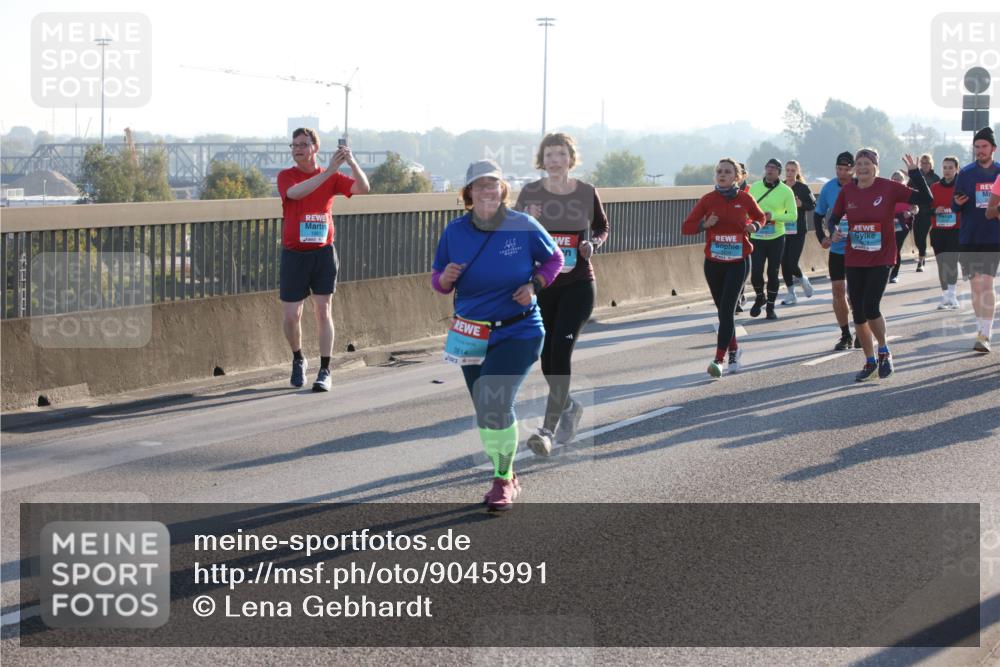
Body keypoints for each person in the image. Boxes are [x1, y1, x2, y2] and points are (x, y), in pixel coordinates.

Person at [431, 159, 562, 511]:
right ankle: (506, 471)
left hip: (519, 329)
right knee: (487, 412)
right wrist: (446, 279)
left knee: (495, 401)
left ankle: (503, 480)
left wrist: (534, 284)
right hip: (471, 333)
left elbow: (555, 259)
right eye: (479, 185)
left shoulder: (523, 225)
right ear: (468, 194)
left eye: (493, 185)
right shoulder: (454, 231)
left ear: (503, 190)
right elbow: (438, 279)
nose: (487, 190)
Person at [514, 133, 610, 456]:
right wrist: (530, 220)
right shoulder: (530, 193)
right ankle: (569, 407)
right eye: (549, 155)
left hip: (578, 284)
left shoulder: (586, 192)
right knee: (546, 360)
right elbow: (512, 233)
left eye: (561, 154)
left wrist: (591, 244)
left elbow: (602, 228)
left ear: (571, 158)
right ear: (542, 160)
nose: (555, 160)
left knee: (561, 352)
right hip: (543, 286)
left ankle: (546, 431)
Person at [277, 128, 370, 392]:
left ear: (315, 148)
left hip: (323, 252)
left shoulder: (333, 177)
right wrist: (328, 172)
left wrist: (351, 162)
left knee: (322, 310)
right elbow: (295, 194)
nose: (297, 149)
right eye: (294, 145)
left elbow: (364, 188)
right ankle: (298, 358)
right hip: (294, 254)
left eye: (303, 145)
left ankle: (325, 369)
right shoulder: (287, 176)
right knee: (291, 315)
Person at [829, 149, 932, 381]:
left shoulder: (888, 187)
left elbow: (926, 199)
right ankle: (870, 361)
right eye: (859, 164)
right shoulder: (848, 191)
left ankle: (884, 350)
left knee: (870, 306)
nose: (863, 167)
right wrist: (833, 230)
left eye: (868, 163)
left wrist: (915, 173)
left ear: (876, 167)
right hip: (855, 257)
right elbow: (834, 216)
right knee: (858, 312)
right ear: (855, 168)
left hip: (882, 257)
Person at [682, 158, 766, 377]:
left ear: (737, 177)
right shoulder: (708, 200)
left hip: (738, 262)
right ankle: (735, 349)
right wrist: (704, 225)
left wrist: (753, 226)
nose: (722, 175)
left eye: (728, 172)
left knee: (728, 309)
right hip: (714, 263)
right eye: (719, 171)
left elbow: (761, 217)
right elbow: (686, 227)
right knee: (723, 313)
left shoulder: (745, 199)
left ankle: (719, 359)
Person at [952, 127, 1000, 353]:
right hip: (969, 235)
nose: (980, 151)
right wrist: (958, 203)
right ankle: (981, 328)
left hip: (993, 235)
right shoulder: (966, 173)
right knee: (975, 286)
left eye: (984, 147)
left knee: (987, 283)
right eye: (977, 147)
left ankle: (986, 334)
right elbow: (954, 204)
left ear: (993, 148)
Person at [814, 151, 860, 350]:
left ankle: (861, 329)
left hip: (860, 248)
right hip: (838, 250)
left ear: (854, 169)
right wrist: (823, 238)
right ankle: (845, 334)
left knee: (857, 294)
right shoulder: (829, 188)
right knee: (838, 291)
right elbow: (818, 215)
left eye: (846, 169)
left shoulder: (862, 185)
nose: (842, 173)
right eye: (838, 169)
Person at [748, 158, 797, 319]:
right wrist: (756, 220)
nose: (770, 171)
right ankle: (760, 296)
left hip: (776, 236)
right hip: (757, 236)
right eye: (767, 167)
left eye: (774, 168)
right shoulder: (754, 188)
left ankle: (770, 307)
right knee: (756, 272)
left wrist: (773, 216)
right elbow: (746, 211)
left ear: (778, 172)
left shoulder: (786, 191)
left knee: (773, 272)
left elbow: (793, 216)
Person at [780, 160, 817, 305]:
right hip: (782, 229)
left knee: (792, 262)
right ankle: (791, 294)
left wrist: (801, 204)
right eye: (787, 170)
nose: (789, 173)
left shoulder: (803, 188)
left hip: (798, 230)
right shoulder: (780, 187)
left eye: (792, 171)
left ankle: (803, 279)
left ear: (797, 172)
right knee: (783, 262)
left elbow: (813, 205)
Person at [929, 156, 963, 310]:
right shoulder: (934, 187)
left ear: (956, 169)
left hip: (956, 230)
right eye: (945, 167)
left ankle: (953, 295)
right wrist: (934, 210)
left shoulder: (961, 186)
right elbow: (926, 208)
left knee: (951, 262)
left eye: (950, 167)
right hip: (938, 231)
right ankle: (945, 297)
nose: (947, 171)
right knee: (941, 264)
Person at [911, 154, 941, 272]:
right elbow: (909, 190)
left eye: (926, 163)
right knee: (917, 238)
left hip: (928, 211)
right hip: (916, 211)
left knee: (922, 236)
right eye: (922, 163)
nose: (924, 165)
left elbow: (938, 194)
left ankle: (920, 261)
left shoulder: (935, 178)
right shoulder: (916, 176)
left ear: (931, 164)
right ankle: (922, 254)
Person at [888, 170, 917, 284]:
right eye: (894, 179)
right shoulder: (886, 192)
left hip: (902, 224)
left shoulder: (907, 193)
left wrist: (910, 213)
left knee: (896, 247)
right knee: (888, 248)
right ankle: (886, 271)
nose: (896, 181)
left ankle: (894, 274)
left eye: (899, 179)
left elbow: (916, 208)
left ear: (903, 181)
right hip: (888, 224)